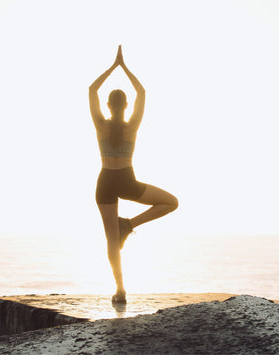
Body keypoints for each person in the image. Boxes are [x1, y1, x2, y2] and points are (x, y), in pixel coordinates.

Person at [89, 45, 178, 303]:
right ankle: (129, 225)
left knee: (111, 239)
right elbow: (142, 91)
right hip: (126, 180)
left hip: (105, 181)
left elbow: (91, 90)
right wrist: (124, 67)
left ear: (107, 105)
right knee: (171, 202)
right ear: (126, 105)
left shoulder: (100, 125)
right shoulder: (133, 126)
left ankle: (120, 290)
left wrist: (112, 67)